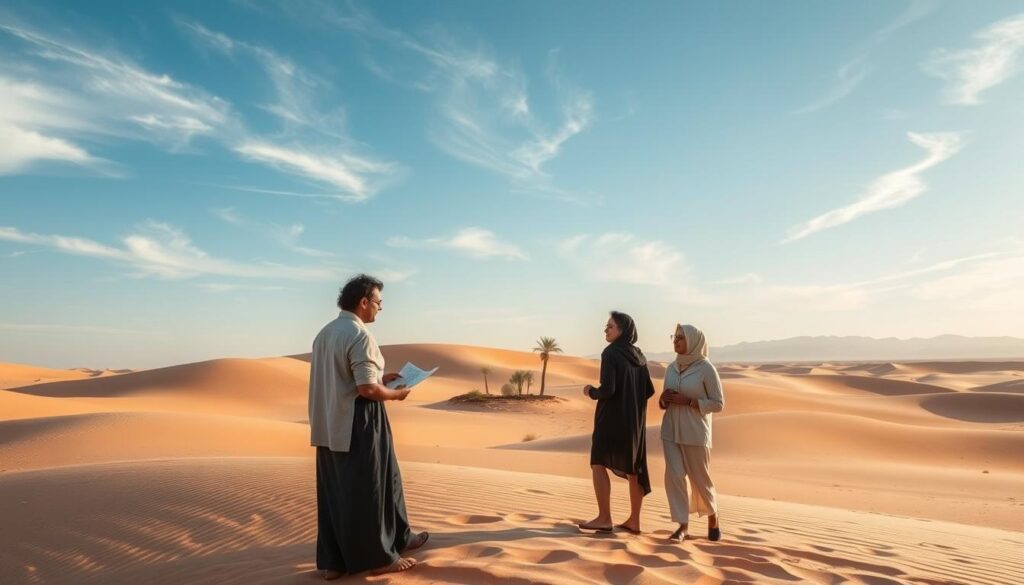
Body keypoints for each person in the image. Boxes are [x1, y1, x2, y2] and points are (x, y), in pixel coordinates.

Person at [308, 274, 429, 579]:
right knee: (374, 486)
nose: (380, 308)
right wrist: (396, 393)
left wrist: (382, 377)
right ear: (363, 302)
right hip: (359, 422)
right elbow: (367, 390)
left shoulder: (325, 333)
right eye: (378, 301)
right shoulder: (360, 335)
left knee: (337, 491)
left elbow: (347, 377)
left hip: (328, 423)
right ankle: (379, 558)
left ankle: (335, 562)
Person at [578, 311, 656, 535]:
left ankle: (604, 518)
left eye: (610, 326)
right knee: (634, 469)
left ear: (622, 330)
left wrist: (590, 391)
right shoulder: (638, 355)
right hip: (634, 421)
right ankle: (634, 521)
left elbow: (608, 390)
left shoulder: (610, 353)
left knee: (598, 463)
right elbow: (648, 390)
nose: (605, 330)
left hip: (611, 419)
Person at [659, 323, 724, 542]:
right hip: (670, 430)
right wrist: (664, 399)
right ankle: (682, 526)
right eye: (674, 337)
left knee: (700, 478)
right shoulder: (671, 368)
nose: (675, 341)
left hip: (695, 432)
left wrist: (689, 401)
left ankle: (713, 515)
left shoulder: (706, 368)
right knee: (674, 476)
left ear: (693, 342)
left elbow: (718, 404)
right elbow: (663, 400)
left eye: (680, 337)